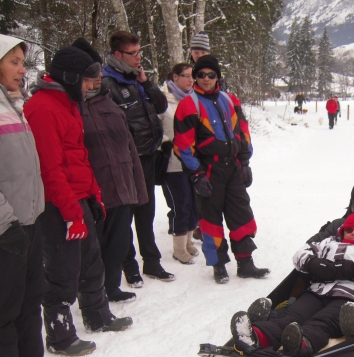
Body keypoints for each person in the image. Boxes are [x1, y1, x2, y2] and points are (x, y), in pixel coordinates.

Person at [25, 46, 133, 356]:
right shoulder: (43, 108)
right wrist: (70, 210)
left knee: (91, 260)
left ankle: (98, 315)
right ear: (71, 77)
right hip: (58, 203)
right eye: (88, 80)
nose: (92, 86)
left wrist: (93, 194)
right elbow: (50, 168)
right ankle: (60, 336)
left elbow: (79, 157)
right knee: (62, 269)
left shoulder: (68, 103)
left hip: (79, 196)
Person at [0, 33, 59, 357]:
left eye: (22, 62)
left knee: (30, 297)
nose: (22, 69)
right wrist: (3, 222)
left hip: (27, 218)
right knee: (0, 306)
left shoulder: (11, 104)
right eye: (14, 62)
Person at [230, 213, 354, 357]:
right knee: (291, 316)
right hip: (317, 291)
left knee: (323, 322)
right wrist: (313, 263)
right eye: (349, 229)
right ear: (343, 231)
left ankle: (302, 344)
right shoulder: (328, 243)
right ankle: (256, 336)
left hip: (352, 296)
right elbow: (299, 255)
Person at [173, 55, 269, 283]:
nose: (206, 79)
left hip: (233, 167)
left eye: (211, 75)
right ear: (196, 77)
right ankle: (218, 266)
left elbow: (243, 131)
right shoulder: (189, 104)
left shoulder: (230, 100)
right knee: (211, 220)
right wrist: (196, 174)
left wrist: (245, 162)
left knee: (242, 215)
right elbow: (183, 145)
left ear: (218, 77)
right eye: (201, 75)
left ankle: (245, 263)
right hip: (208, 170)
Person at [73, 38, 149, 304]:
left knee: (118, 241)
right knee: (93, 246)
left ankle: (112, 286)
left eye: (98, 72)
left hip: (122, 184)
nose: (97, 78)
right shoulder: (72, 106)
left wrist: (137, 186)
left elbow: (129, 147)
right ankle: (90, 293)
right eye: (91, 74)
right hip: (93, 189)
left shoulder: (108, 101)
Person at [102, 31, 173, 286]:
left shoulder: (136, 80)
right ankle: (129, 266)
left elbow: (161, 105)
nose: (138, 57)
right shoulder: (106, 83)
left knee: (146, 211)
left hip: (147, 156)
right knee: (124, 218)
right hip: (124, 162)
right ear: (118, 55)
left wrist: (146, 82)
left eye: (139, 52)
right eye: (134, 53)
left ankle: (151, 262)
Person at [159, 63, 200, 265]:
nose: (190, 80)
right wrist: (164, 145)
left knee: (194, 203)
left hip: (193, 161)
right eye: (185, 76)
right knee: (180, 204)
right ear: (174, 77)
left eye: (192, 76)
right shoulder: (163, 100)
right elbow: (153, 129)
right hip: (172, 163)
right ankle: (178, 248)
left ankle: (189, 241)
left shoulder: (194, 99)